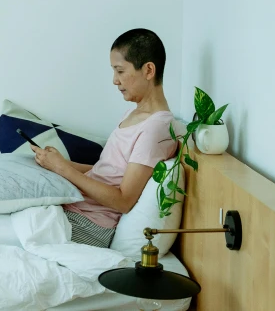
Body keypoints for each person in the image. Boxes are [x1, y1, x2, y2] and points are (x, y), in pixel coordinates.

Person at [30, 28, 181, 248]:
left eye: (120, 71)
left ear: (148, 70)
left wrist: (64, 170)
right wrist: (58, 163)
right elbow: (106, 171)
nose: (114, 80)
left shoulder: (156, 129)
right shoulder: (133, 114)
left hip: (92, 224)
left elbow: (123, 200)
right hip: (74, 207)